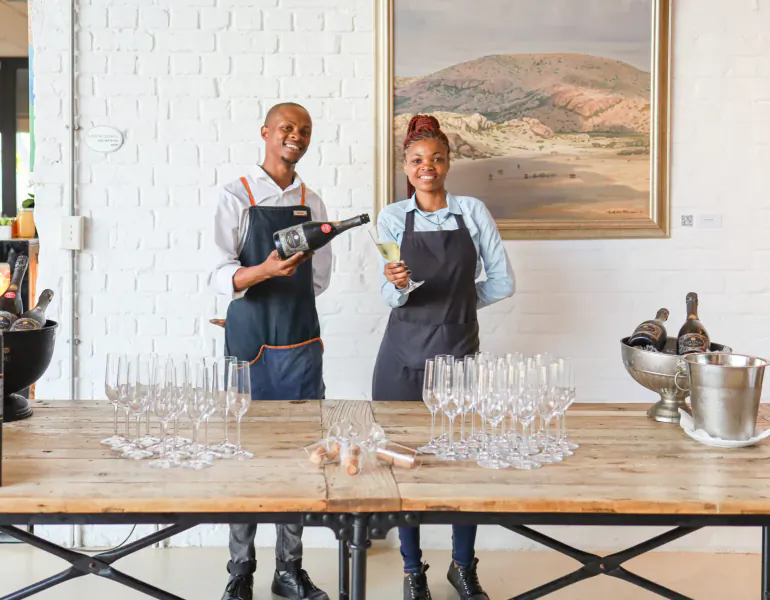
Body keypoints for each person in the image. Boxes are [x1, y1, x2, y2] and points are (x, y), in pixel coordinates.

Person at [372, 115, 515, 600]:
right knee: (403, 461)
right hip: (400, 355)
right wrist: (397, 285)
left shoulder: (472, 211)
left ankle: (462, 567)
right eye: (416, 160)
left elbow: (502, 282)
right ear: (405, 167)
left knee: (461, 460)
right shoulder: (392, 218)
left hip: (456, 352)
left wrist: (456, 305)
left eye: (435, 158)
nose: (426, 167)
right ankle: (414, 572)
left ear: (448, 162)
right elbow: (390, 294)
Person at [209, 102, 331, 600]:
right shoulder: (234, 195)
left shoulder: (312, 201)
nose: (295, 136)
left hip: (301, 340)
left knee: (300, 457)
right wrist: (263, 273)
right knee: (244, 455)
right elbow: (219, 275)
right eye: (287, 127)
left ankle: (289, 571)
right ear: (265, 132)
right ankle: (241, 572)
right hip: (249, 343)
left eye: (303, 130)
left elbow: (318, 280)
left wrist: (285, 291)